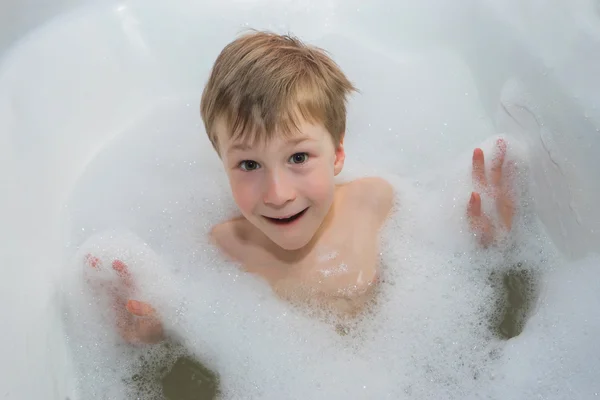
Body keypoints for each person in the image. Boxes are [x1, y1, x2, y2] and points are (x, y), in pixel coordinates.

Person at [84, 30, 516, 345]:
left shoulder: (375, 201)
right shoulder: (221, 248)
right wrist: (154, 331)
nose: (277, 193)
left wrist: (484, 248)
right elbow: (195, 328)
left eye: (298, 158)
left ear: (338, 155)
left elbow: (446, 272)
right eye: (249, 164)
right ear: (223, 166)